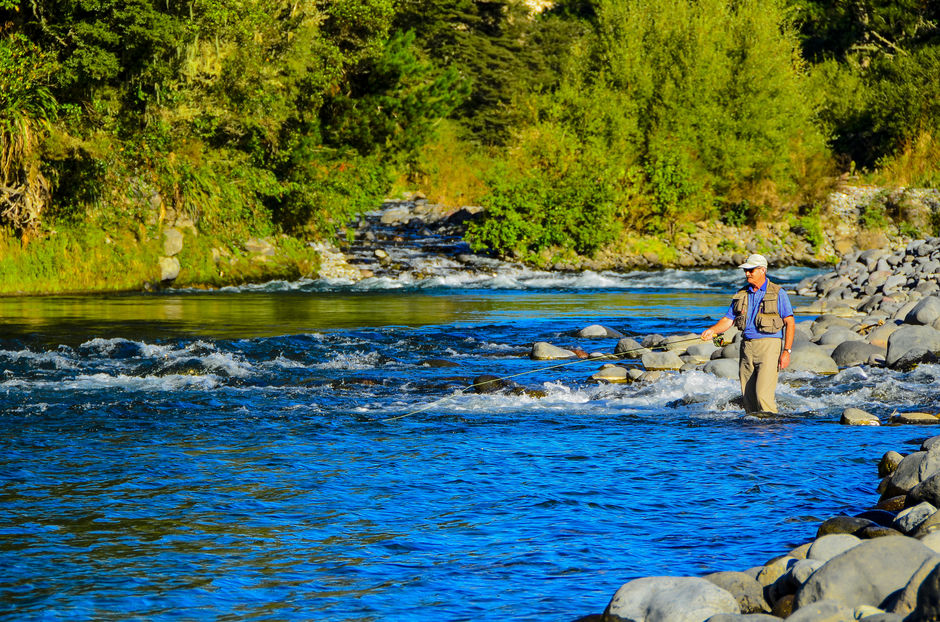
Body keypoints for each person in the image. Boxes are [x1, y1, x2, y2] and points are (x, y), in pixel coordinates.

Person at [700, 253, 795, 414]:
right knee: (748, 398)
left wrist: (786, 351)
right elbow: (728, 320)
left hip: (769, 346)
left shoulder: (779, 293)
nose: (747, 274)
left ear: (762, 270)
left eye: (751, 270)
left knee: (763, 395)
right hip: (746, 347)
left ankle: (772, 433)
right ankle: (752, 432)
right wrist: (712, 330)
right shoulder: (741, 294)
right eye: (746, 270)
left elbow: (790, 322)